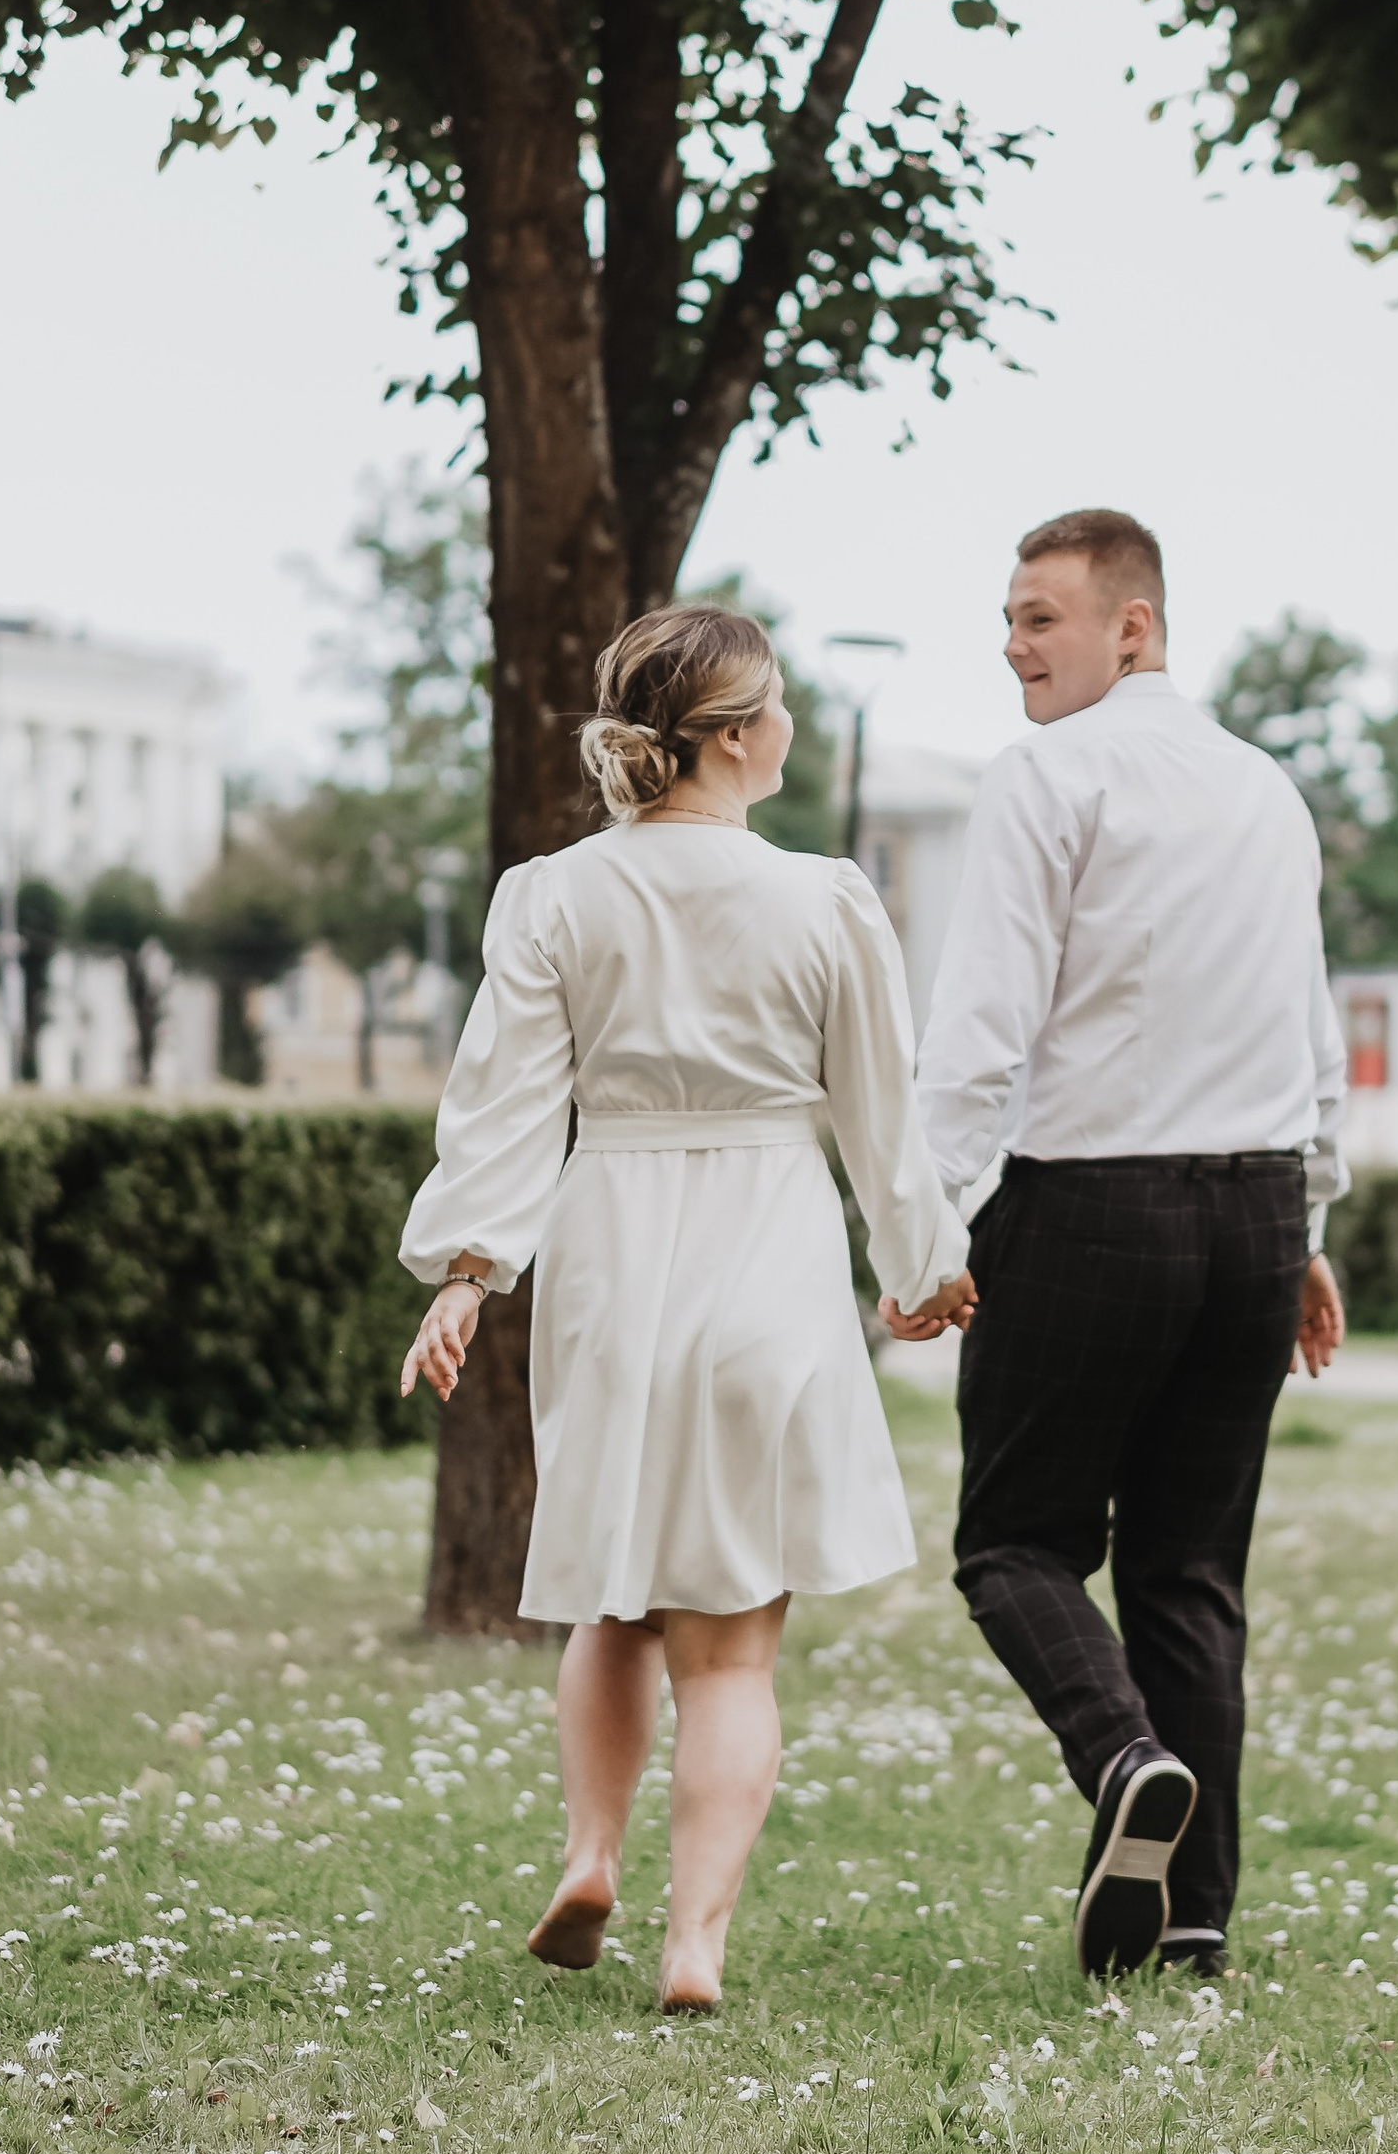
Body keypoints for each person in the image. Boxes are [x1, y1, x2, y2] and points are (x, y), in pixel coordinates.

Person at [398, 604, 972, 2014]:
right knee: (732, 1641)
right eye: (775, 705)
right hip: (766, 1247)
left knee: (612, 1595)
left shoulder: (555, 895)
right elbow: (878, 1111)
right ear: (730, 737)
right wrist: (921, 1262)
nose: (791, 726)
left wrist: (469, 1270)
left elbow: (507, 1101)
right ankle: (695, 1940)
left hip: (611, 1249)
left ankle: (591, 1852)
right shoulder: (827, 898)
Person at [894, 508, 1346, 1981]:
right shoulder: (1268, 789)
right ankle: (1192, 1915)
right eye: (1010, 618)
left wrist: (921, 1222)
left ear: (1130, 627)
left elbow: (981, 1022)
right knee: (1187, 1570)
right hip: (1255, 1207)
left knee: (1012, 1540)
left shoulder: (1047, 777)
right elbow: (1312, 1024)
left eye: (1039, 617)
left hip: (1095, 1200)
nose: (1011, 644)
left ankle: (1121, 1758)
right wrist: (1311, 1224)